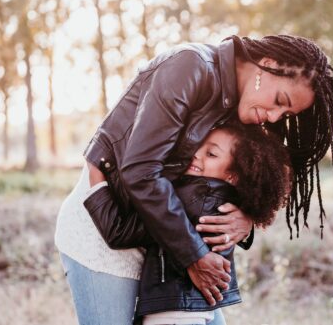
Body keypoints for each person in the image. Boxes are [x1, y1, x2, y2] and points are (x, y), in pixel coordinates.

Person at [54, 35, 333, 325]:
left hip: (166, 250)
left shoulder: (245, 109)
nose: (273, 117)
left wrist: (246, 217)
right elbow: (141, 171)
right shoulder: (189, 67)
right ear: (267, 64)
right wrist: (194, 257)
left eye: (285, 113)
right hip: (106, 233)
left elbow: (256, 176)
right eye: (279, 101)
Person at [85, 121, 292, 325]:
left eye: (211, 154)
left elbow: (118, 232)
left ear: (232, 175)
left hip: (174, 314)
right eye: (199, 146)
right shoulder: (228, 202)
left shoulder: (192, 197)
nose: (196, 154)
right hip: (195, 310)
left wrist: (96, 177)